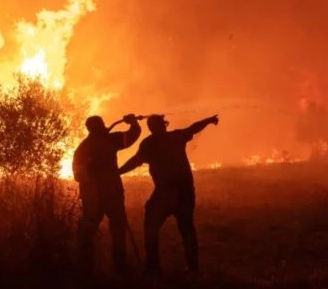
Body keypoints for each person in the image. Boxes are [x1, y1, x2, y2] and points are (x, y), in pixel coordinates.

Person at [118, 114, 219, 276]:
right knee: (187, 228)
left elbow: (136, 161)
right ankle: (193, 269)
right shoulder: (176, 137)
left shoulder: (149, 143)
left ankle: (153, 268)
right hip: (184, 191)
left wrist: (118, 172)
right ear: (164, 124)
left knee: (151, 227)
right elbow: (193, 127)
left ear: (151, 127)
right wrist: (208, 120)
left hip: (164, 193)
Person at [72, 113, 142, 276]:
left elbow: (76, 174)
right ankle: (117, 263)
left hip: (95, 197)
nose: (104, 126)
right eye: (102, 124)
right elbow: (132, 136)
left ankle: (86, 264)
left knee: (91, 229)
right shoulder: (110, 141)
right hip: (110, 194)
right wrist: (133, 123)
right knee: (117, 227)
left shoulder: (84, 148)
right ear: (97, 127)